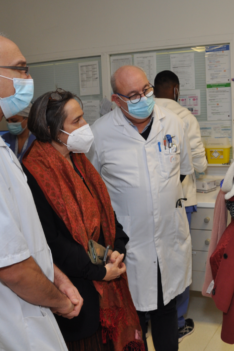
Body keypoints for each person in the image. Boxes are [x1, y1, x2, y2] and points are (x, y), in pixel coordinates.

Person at [22, 89, 144, 351]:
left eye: (83, 118)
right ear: (53, 130)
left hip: (105, 275)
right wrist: (100, 272)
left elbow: (106, 214)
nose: (85, 126)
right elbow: (52, 242)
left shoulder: (79, 161)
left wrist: (118, 250)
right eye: (76, 121)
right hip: (76, 290)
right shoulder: (34, 173)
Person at [88, 65, 194, 351]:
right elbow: (91, 188)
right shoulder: (100, 134)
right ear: (116, 99)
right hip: (129, 245)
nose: (143, 98)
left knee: (166, 312)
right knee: (132, 320)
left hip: (168, 239)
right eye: (132, 94)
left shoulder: (172, 122)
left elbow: (181, 172)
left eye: (146, 90)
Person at [0, 36, 83, 351]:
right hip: (15, 323)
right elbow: (12, 267)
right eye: (21, 70)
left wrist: (54, 276)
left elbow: (23, 242)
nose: (29, 80)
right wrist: (60, 302)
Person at [154, 70, 207, 342]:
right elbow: (198, 164)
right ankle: (176, 321)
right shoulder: (184, 117)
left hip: (151, 204)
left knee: (155, 259)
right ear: (175, 89)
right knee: (179, 260)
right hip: (180, 200)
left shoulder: (141, 116)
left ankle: (156, 316)